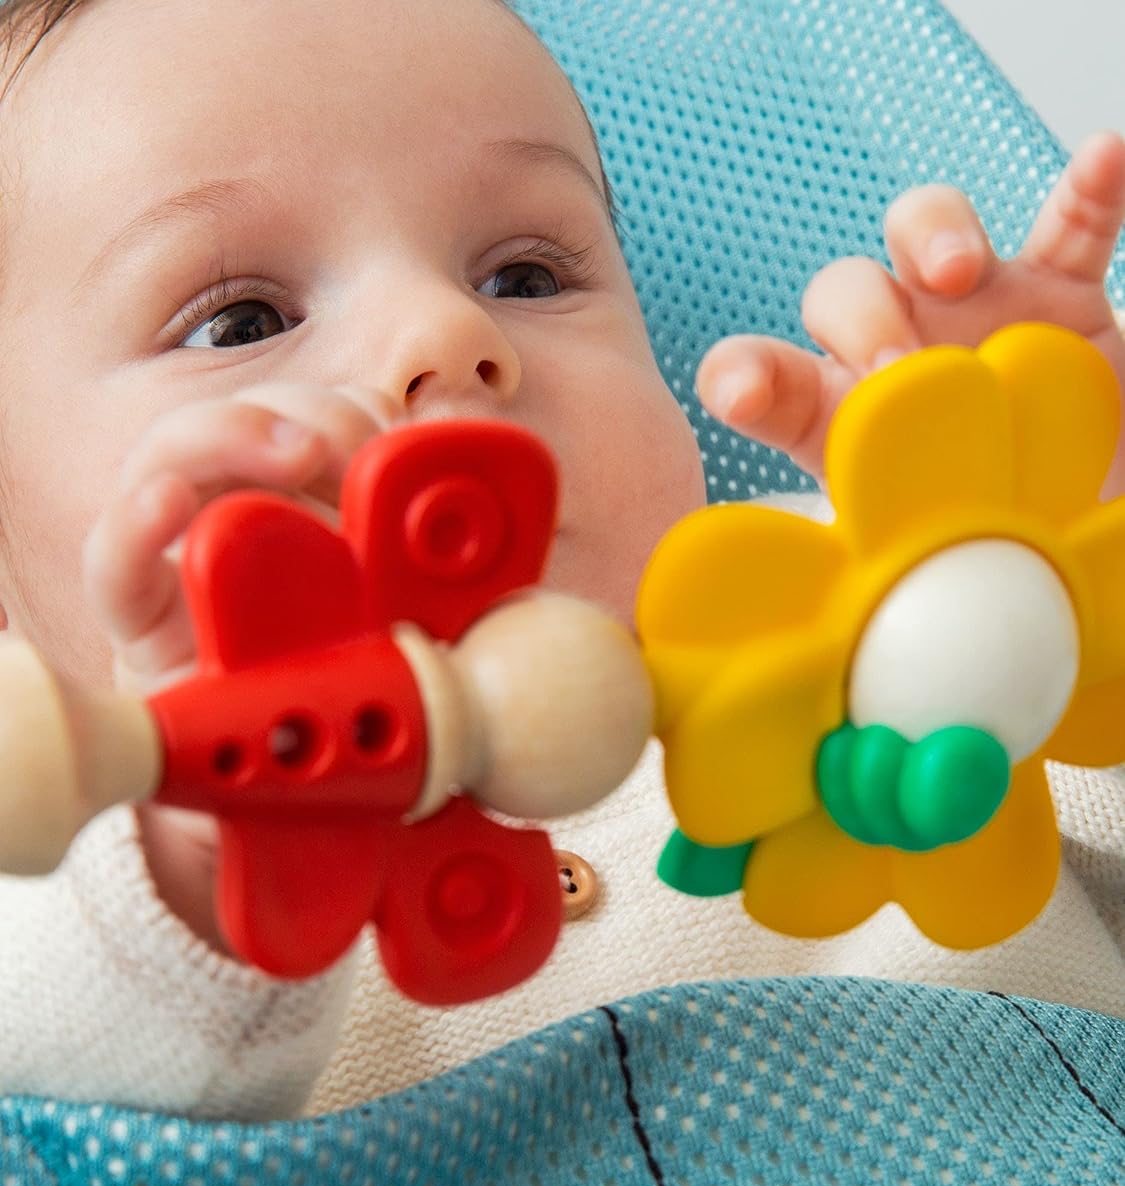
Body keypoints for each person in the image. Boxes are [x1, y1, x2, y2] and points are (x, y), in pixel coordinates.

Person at [0, 0, 1122, 1120]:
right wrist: (201, 858)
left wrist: (1052, 529)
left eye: (523, 277)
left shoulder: (863, 616)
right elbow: (60, 1145)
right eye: (240, 321)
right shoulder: (76, 884)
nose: (442, 335)